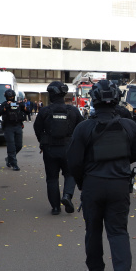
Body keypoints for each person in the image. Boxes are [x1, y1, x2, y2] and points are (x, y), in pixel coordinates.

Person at [67, 80, 136, 271]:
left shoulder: (84, 127)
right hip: (120, 185)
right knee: (118, 231)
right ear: (117, 99)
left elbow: (73, 162)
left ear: (93, 100)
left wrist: (83, 183)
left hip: (93, 184)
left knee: (93, 230)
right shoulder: (128, 126)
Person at [34, 81, 84, 215]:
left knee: (52, 178)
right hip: (68, 148)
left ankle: (55, 208)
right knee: (70, 174)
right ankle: (67, 196)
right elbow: (82, 128)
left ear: (51, 94)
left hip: (50, 149)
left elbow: (37, 128)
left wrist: (43, 142)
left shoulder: (45, 110)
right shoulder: (73, 110)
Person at [0, 89, 28, 171]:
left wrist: (23, 107)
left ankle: (9, 158)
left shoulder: (17, 104)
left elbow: (28, 111)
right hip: (8, 127)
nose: (10, 98)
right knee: (11, 147)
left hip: (18, 126)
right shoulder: (4, 104)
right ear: (6, 97)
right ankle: (14, 164)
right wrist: (5, 108)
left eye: (12, 97)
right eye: (9, 97)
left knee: (19, 145)